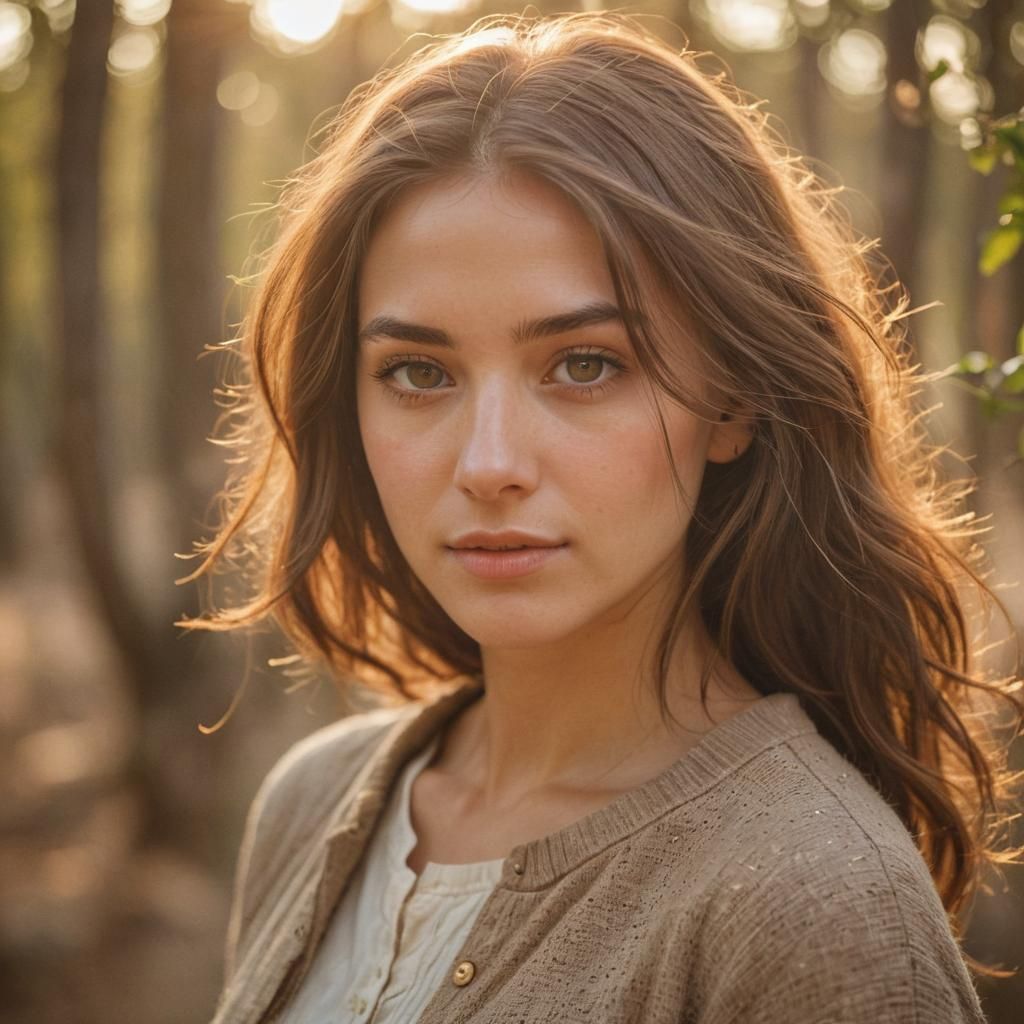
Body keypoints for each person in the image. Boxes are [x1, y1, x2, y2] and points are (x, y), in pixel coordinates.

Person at [181, 10, 1023, 1024]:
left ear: (732, 399)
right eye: (417, 371)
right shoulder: (312, 802)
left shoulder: (811, 903)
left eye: (585, 365)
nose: (488, 463)